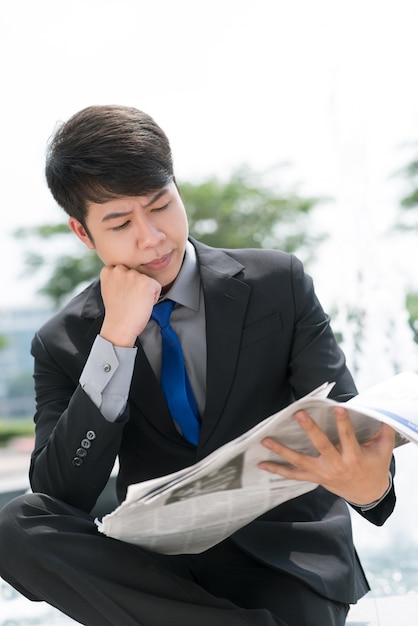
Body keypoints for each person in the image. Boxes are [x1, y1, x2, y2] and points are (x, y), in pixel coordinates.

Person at [0, 105, 396, 626]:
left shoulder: (276, 283)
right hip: (159, 574)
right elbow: (61, 495)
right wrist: (115, 340)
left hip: (286, 561)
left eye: (161, 205)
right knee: (16, 525)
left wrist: (371, 487)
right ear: (82, 232)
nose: (152, 237)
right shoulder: (64, 341)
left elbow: (352, 428)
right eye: (120, 222)